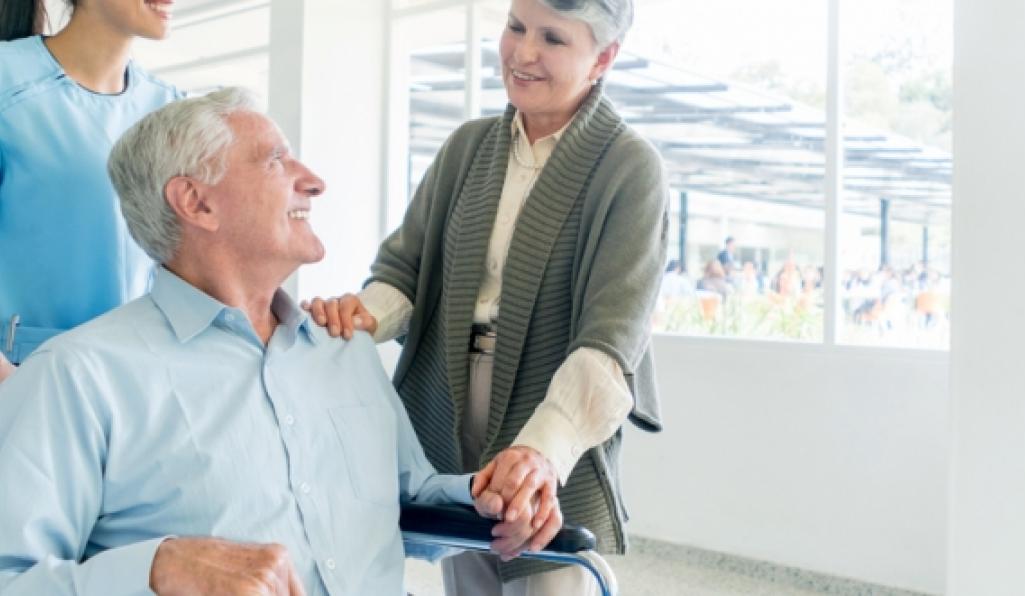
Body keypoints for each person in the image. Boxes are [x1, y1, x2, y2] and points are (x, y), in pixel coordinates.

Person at [0, 88, 550, 596]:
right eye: (275, 160)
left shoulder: (346, 350)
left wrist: (493, 498)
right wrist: (157, 569)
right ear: (196, 202)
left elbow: (409, 505)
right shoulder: (78, 375)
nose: (312, 181)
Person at [304, 0, 667, 593]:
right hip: (451, 408)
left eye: (552, 38)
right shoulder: (467, 147)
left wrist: (541, 454)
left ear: (603, 58)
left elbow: (611, 340)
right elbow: (407, 271)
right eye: (515, 27)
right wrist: (363, 315)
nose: (522, 53)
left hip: (555, 415)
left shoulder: (630, 168)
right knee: (467, 569)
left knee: (549, 571)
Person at [0, 0, 181, 380]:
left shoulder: (170, 110)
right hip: (23, 383)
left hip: (132, 387)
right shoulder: (8, 81)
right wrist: (13, 387)